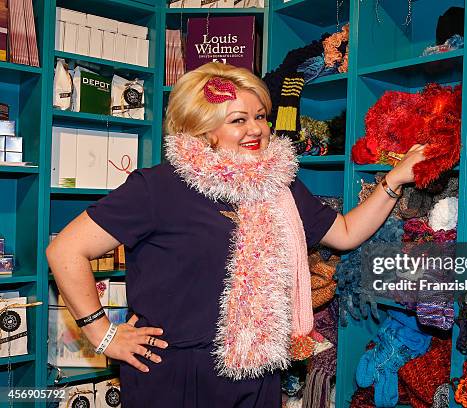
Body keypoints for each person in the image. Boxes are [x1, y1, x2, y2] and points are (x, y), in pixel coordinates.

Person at [46, 62, 426, 407]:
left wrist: (393, 180)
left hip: (258, 367)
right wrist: (101, 333)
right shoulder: (157, 187)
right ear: (201, 128)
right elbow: (66, 250)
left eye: (260, 116)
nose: (256, 129)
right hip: (174, 372)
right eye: (239, 120)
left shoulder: (280, 185)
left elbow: (344, 233)